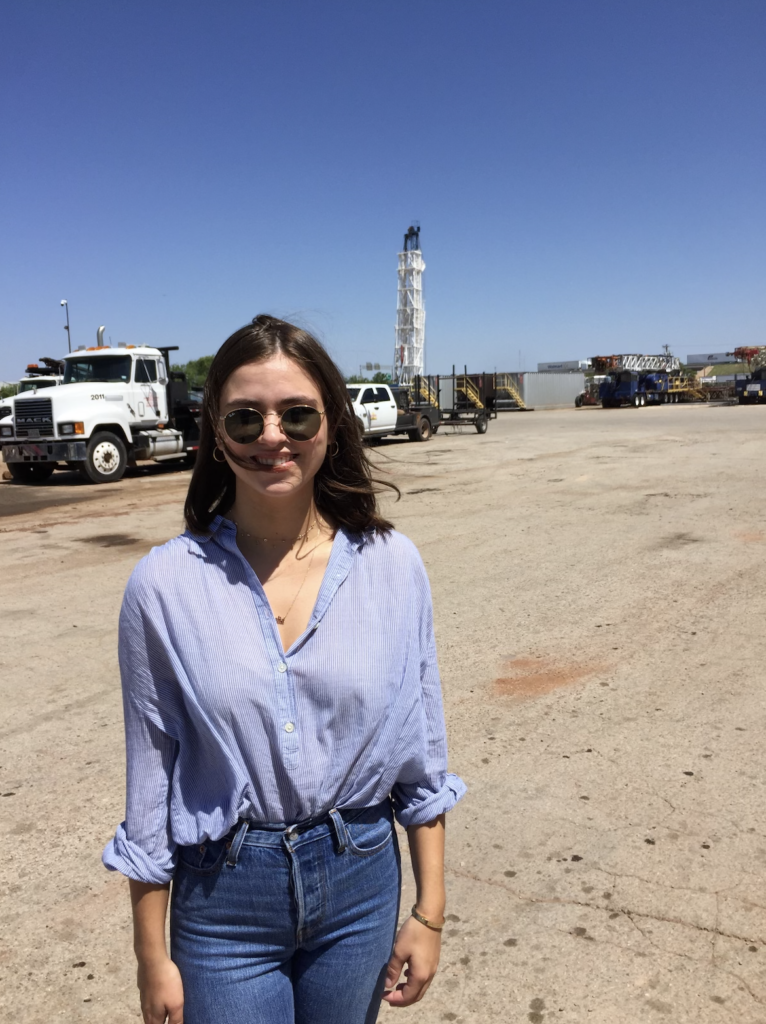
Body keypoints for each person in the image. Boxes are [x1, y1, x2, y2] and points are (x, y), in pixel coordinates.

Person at [103, 314, 466, 1024]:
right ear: (216, 433)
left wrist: (430, 911)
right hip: (223, 903)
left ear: (331, 424)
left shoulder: (393, 566)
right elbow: (150, 780)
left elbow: (421, 751)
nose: (273, 436)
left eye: (297, 415)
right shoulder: (163, 586)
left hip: (361, 881)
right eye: (246, 418)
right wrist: (152, 957)